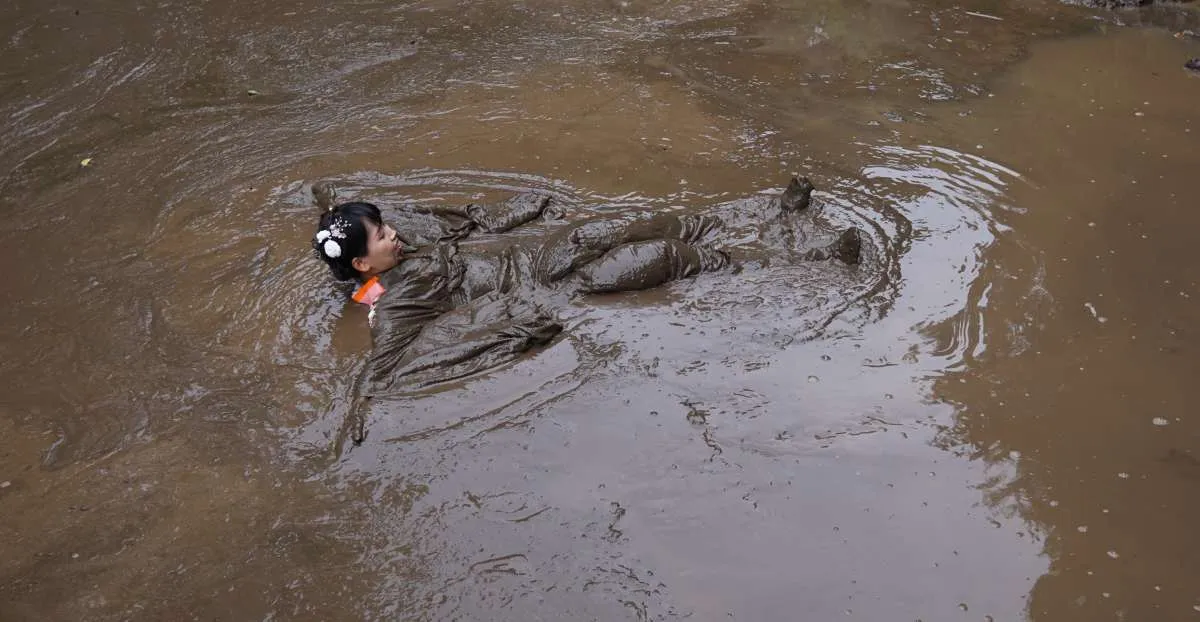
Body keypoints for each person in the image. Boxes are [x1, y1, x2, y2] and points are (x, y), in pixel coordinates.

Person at [311, 177, 862, 440]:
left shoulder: (404, 249)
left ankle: (769, 210)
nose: (395, 235)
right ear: (362, 265)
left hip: (545, 253)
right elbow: (386, 366)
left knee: (639, 224)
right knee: (664, 256)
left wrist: (329, 203)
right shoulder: (397, 298)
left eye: (385, 226)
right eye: (381, 235)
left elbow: (464, 221)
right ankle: (803, 260)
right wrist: (355, 414)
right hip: (555, 284)